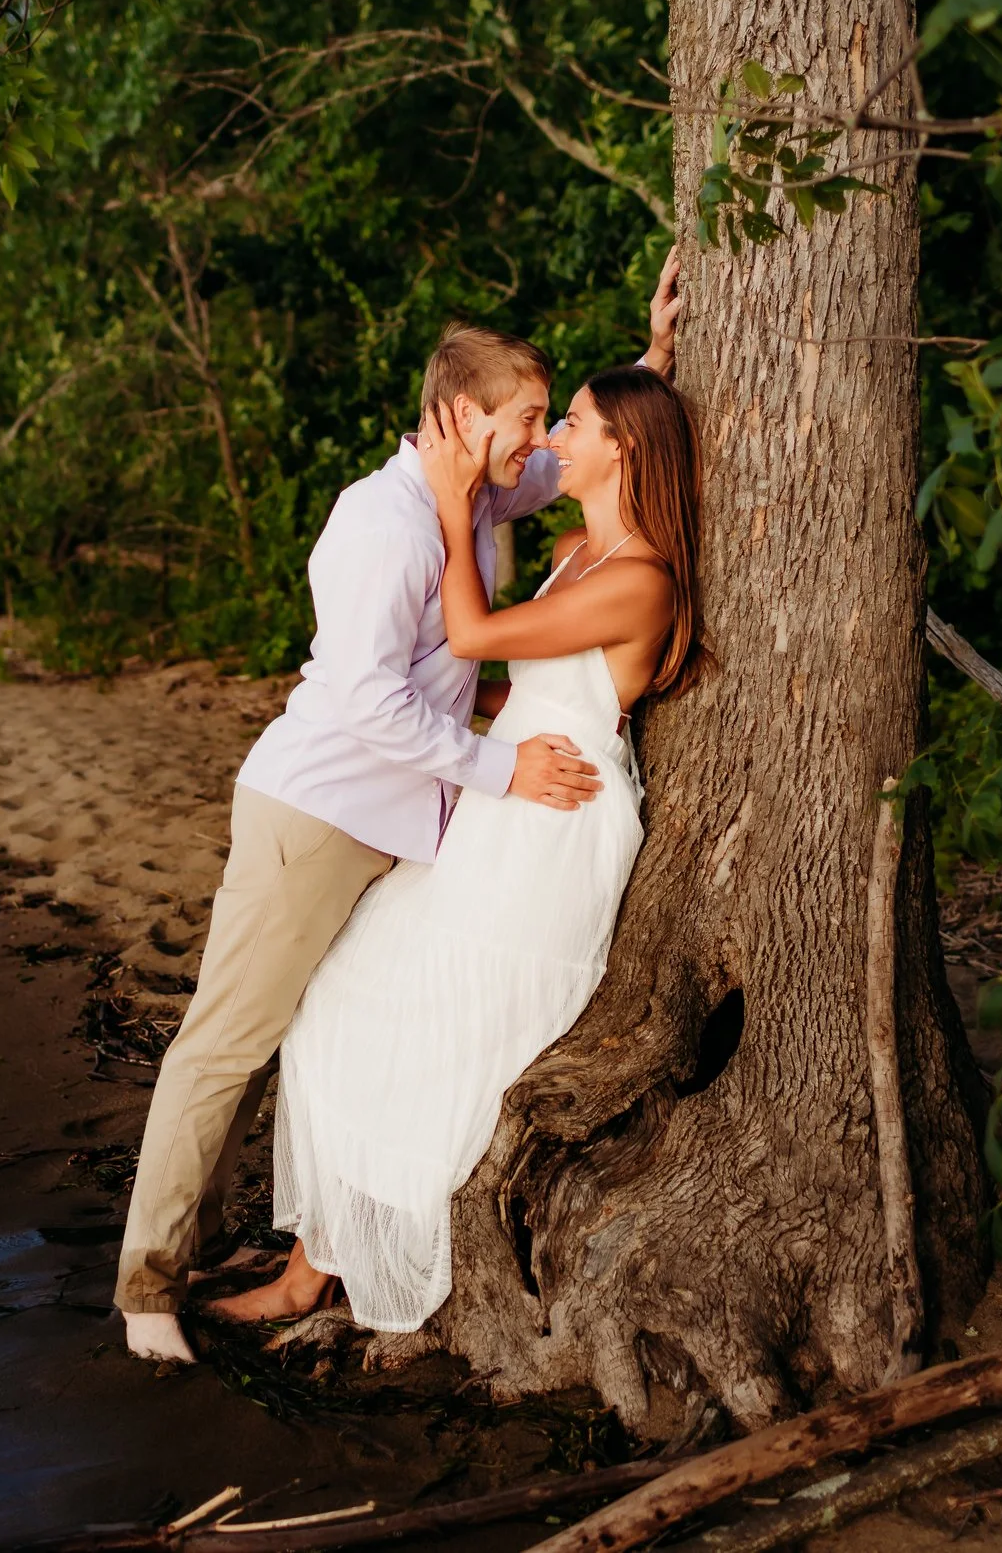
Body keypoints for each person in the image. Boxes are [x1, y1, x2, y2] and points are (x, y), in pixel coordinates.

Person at [114, 258, 685, 1363]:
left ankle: (306, 1252)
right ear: (465, 413)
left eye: (548, 418)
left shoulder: (481, 491)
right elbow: (371, 697)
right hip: (326, 808)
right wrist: (495, 768)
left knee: (363, 1011)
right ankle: (149, 1285)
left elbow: (608, 451)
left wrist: (654, 357)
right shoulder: (381, 520)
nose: (538, 439)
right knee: (230, 1040)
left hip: (423, 820)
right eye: (525, 417)